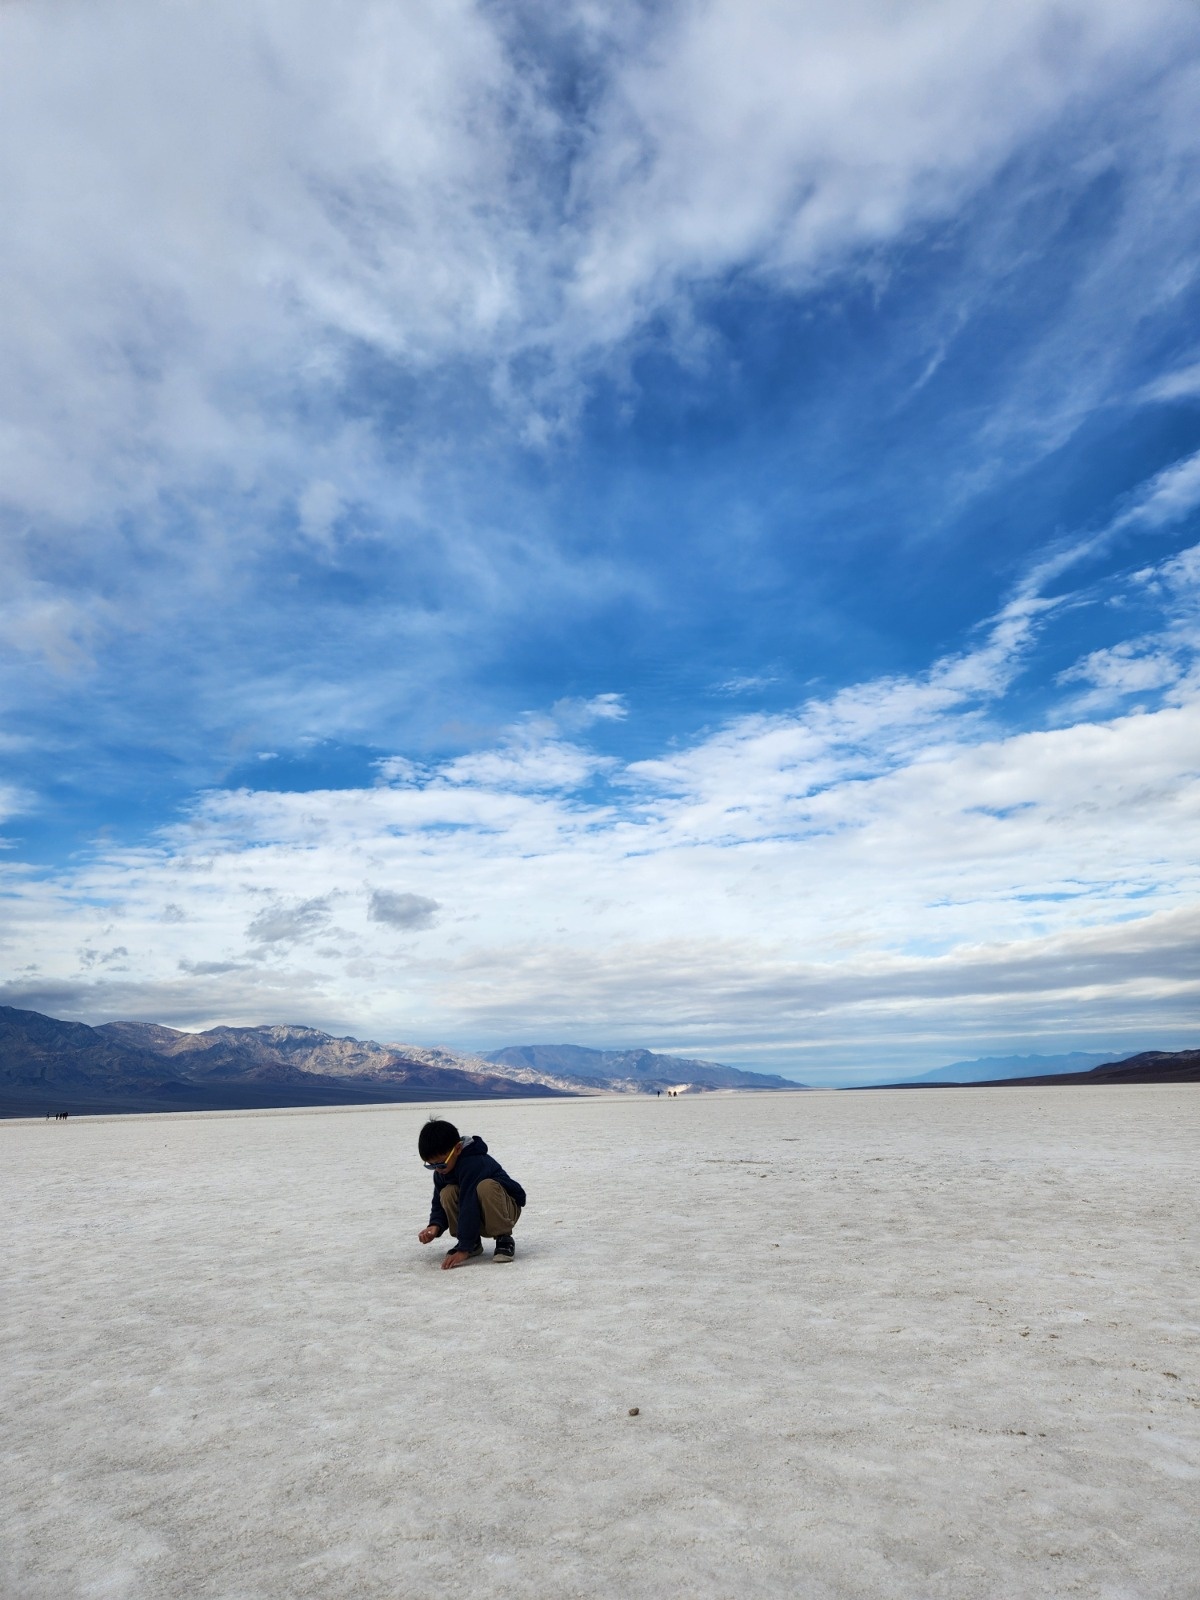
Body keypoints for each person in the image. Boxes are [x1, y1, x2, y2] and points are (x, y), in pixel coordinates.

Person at [416, 1117, 526, 1268]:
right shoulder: (442, 1171)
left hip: (506, 1210)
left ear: (458, 1149)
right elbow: (438, 1202)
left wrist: (463, 1250)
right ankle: (473, 1243)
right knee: (447, 1192)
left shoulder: (473, 1163)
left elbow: (469, 1202)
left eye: (441, 1163)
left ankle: (504, 1238)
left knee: (486, 1186)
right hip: (479, 1214)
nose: (437, 1169)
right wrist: (435, 1225)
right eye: (431, 1165)